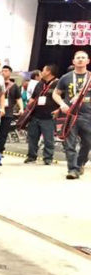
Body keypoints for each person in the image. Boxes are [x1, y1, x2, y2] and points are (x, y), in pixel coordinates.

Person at [53, 50, 91, 179]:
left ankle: (80, 163)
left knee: (88, 143)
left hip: (88, 115)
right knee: (70, 143)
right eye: (78, 58)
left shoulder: (90, 77)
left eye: (83, 58)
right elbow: (56, 93)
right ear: (73, 61)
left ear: (88, 61)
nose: (80, 59)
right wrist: (62, 104)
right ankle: (72, 169)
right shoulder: (66, 77)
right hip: (70, 115)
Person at [24, 64, 59, 165]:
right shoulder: (40, 83)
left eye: (43, 70)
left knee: (48, 139)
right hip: (35, 115)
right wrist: (28, 106)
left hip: (49, 116)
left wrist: (59, 110)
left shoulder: (58, 84)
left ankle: (48, 158)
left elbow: (64, 99)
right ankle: (31, 157)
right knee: (32, 137)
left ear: (49, 72)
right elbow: (33, 97)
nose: (41, 72)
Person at [0, 65, 23, 154]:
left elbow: (18, 98)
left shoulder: (14, 86)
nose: (3, 72)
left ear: (10, 73)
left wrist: (21, 108)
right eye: (2, 71)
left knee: (3, 133)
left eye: (6, 71)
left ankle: (0, 150)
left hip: (8, 112)